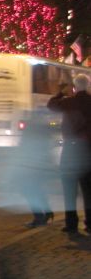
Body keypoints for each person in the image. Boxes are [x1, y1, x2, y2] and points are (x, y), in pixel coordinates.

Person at [47, 74, 91, 234]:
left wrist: (61, 93)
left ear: (75, 86)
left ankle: (71, 224)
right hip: (88, 150)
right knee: (88, 190)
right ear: (87, 86)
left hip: (71, 150)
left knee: (69, 189)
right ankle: (90, 223)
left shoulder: (69, 102)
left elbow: (51, 105)